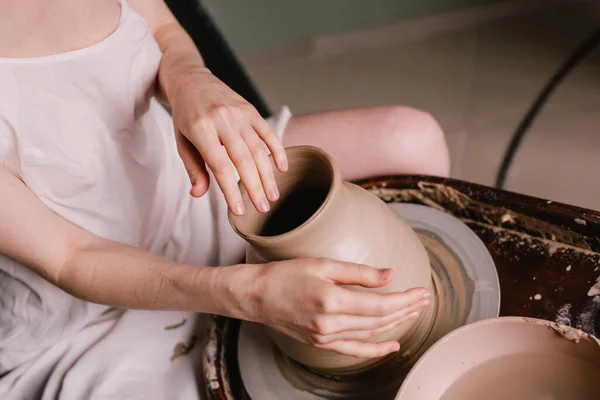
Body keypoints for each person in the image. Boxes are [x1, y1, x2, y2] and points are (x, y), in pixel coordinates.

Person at [0, 0, 450, 398]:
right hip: (89, 311)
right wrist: (247, 293)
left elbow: (160, 25)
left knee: (412, 141)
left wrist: (190, 78)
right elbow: (72, 258)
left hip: (195, 190)